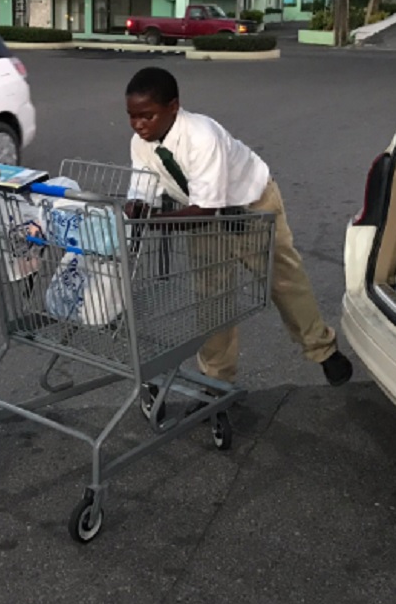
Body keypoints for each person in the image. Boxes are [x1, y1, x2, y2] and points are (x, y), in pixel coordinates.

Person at [124, 66, 354, 388]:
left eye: (146, 116)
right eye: (132, 116)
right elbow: (143, 187)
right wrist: (135, 205)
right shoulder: (141, 144)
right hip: (199, 215)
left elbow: (206, 208)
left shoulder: (201, 136)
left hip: (250, 206)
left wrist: (155, 220)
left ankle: (321, 348)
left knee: (282, 279)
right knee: (211, 299)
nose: (138, 125)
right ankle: (216, 378)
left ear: (173, 107)